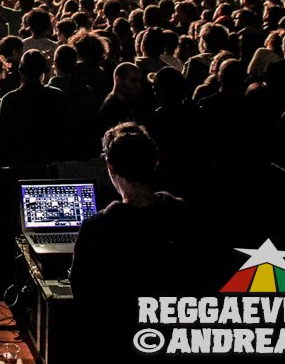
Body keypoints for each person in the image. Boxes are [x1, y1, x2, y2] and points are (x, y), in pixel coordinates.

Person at [70, 123, 206, 359]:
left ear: (110, 166)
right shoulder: (183, 214)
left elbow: (84, 298)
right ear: (154, 162)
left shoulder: (97, 228)